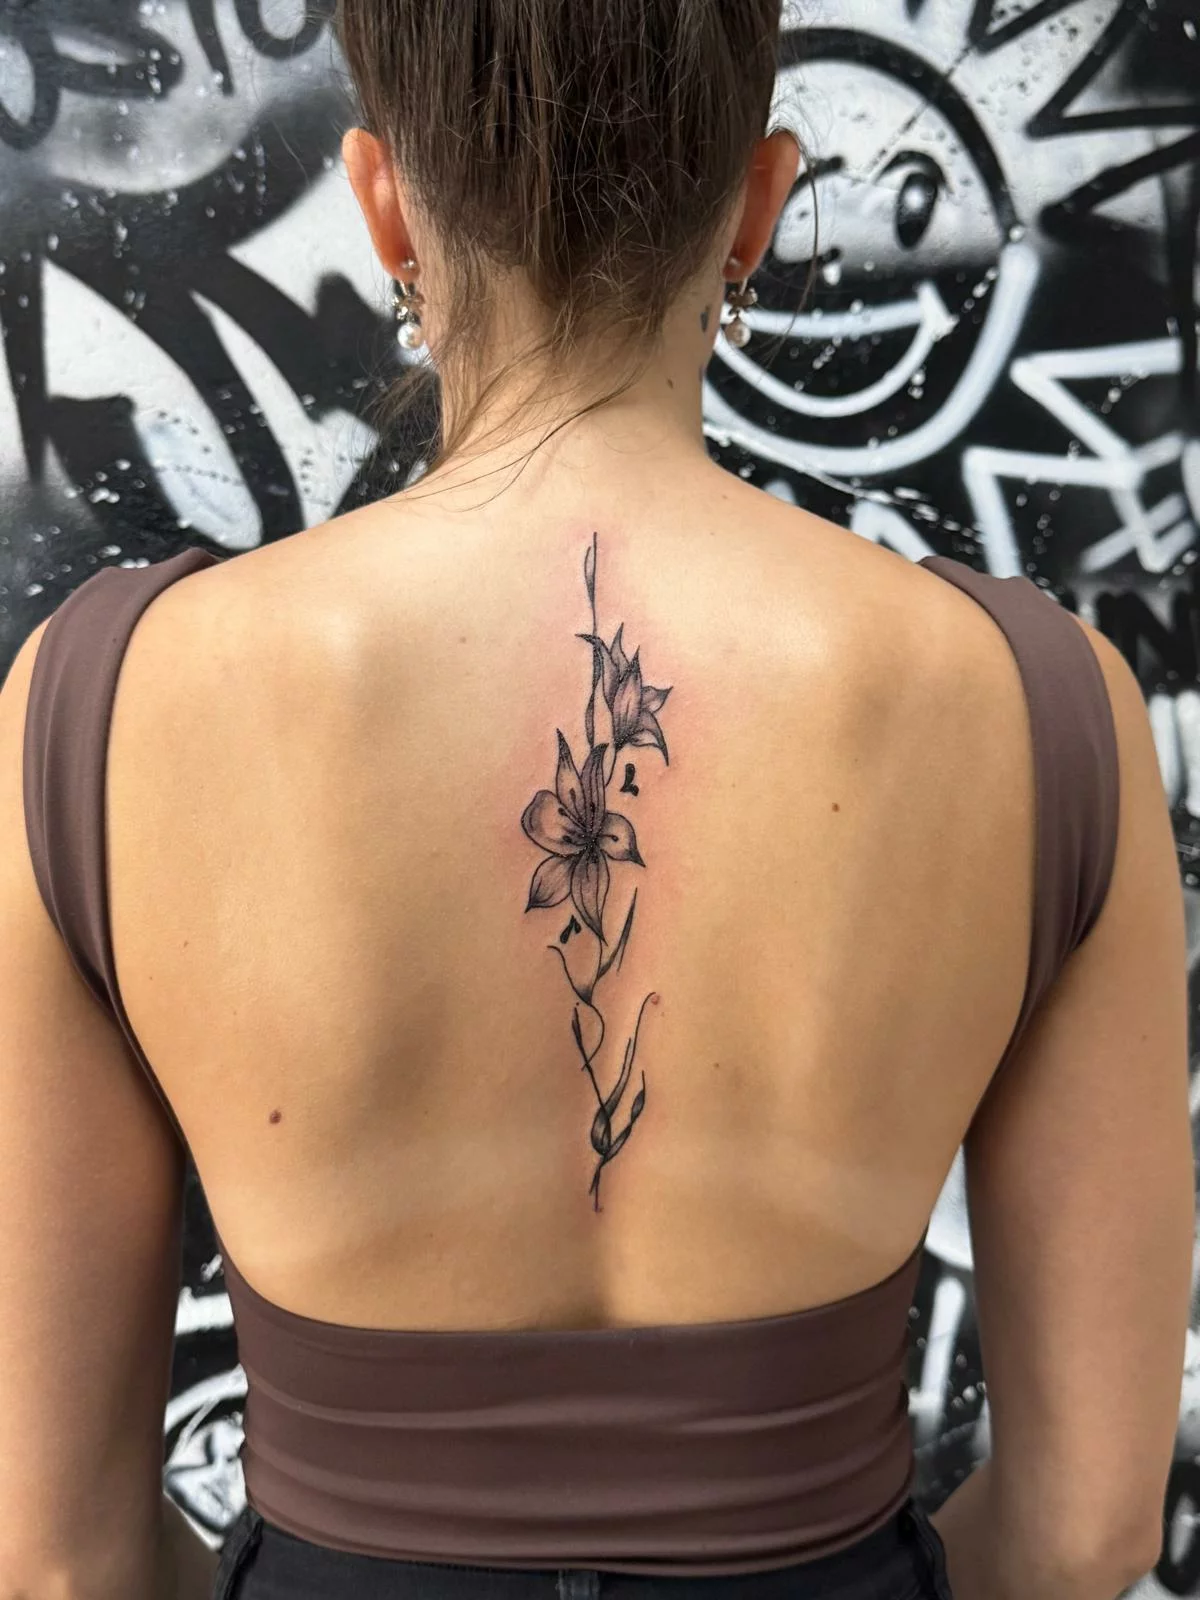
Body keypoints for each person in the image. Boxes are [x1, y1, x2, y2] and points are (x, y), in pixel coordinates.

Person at [0, 3, 1192, 1599]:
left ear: (384, 208)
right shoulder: (1045, 714)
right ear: (760, 205)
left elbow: (59, 1558)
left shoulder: (101, 714)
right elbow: (1087, 1527)